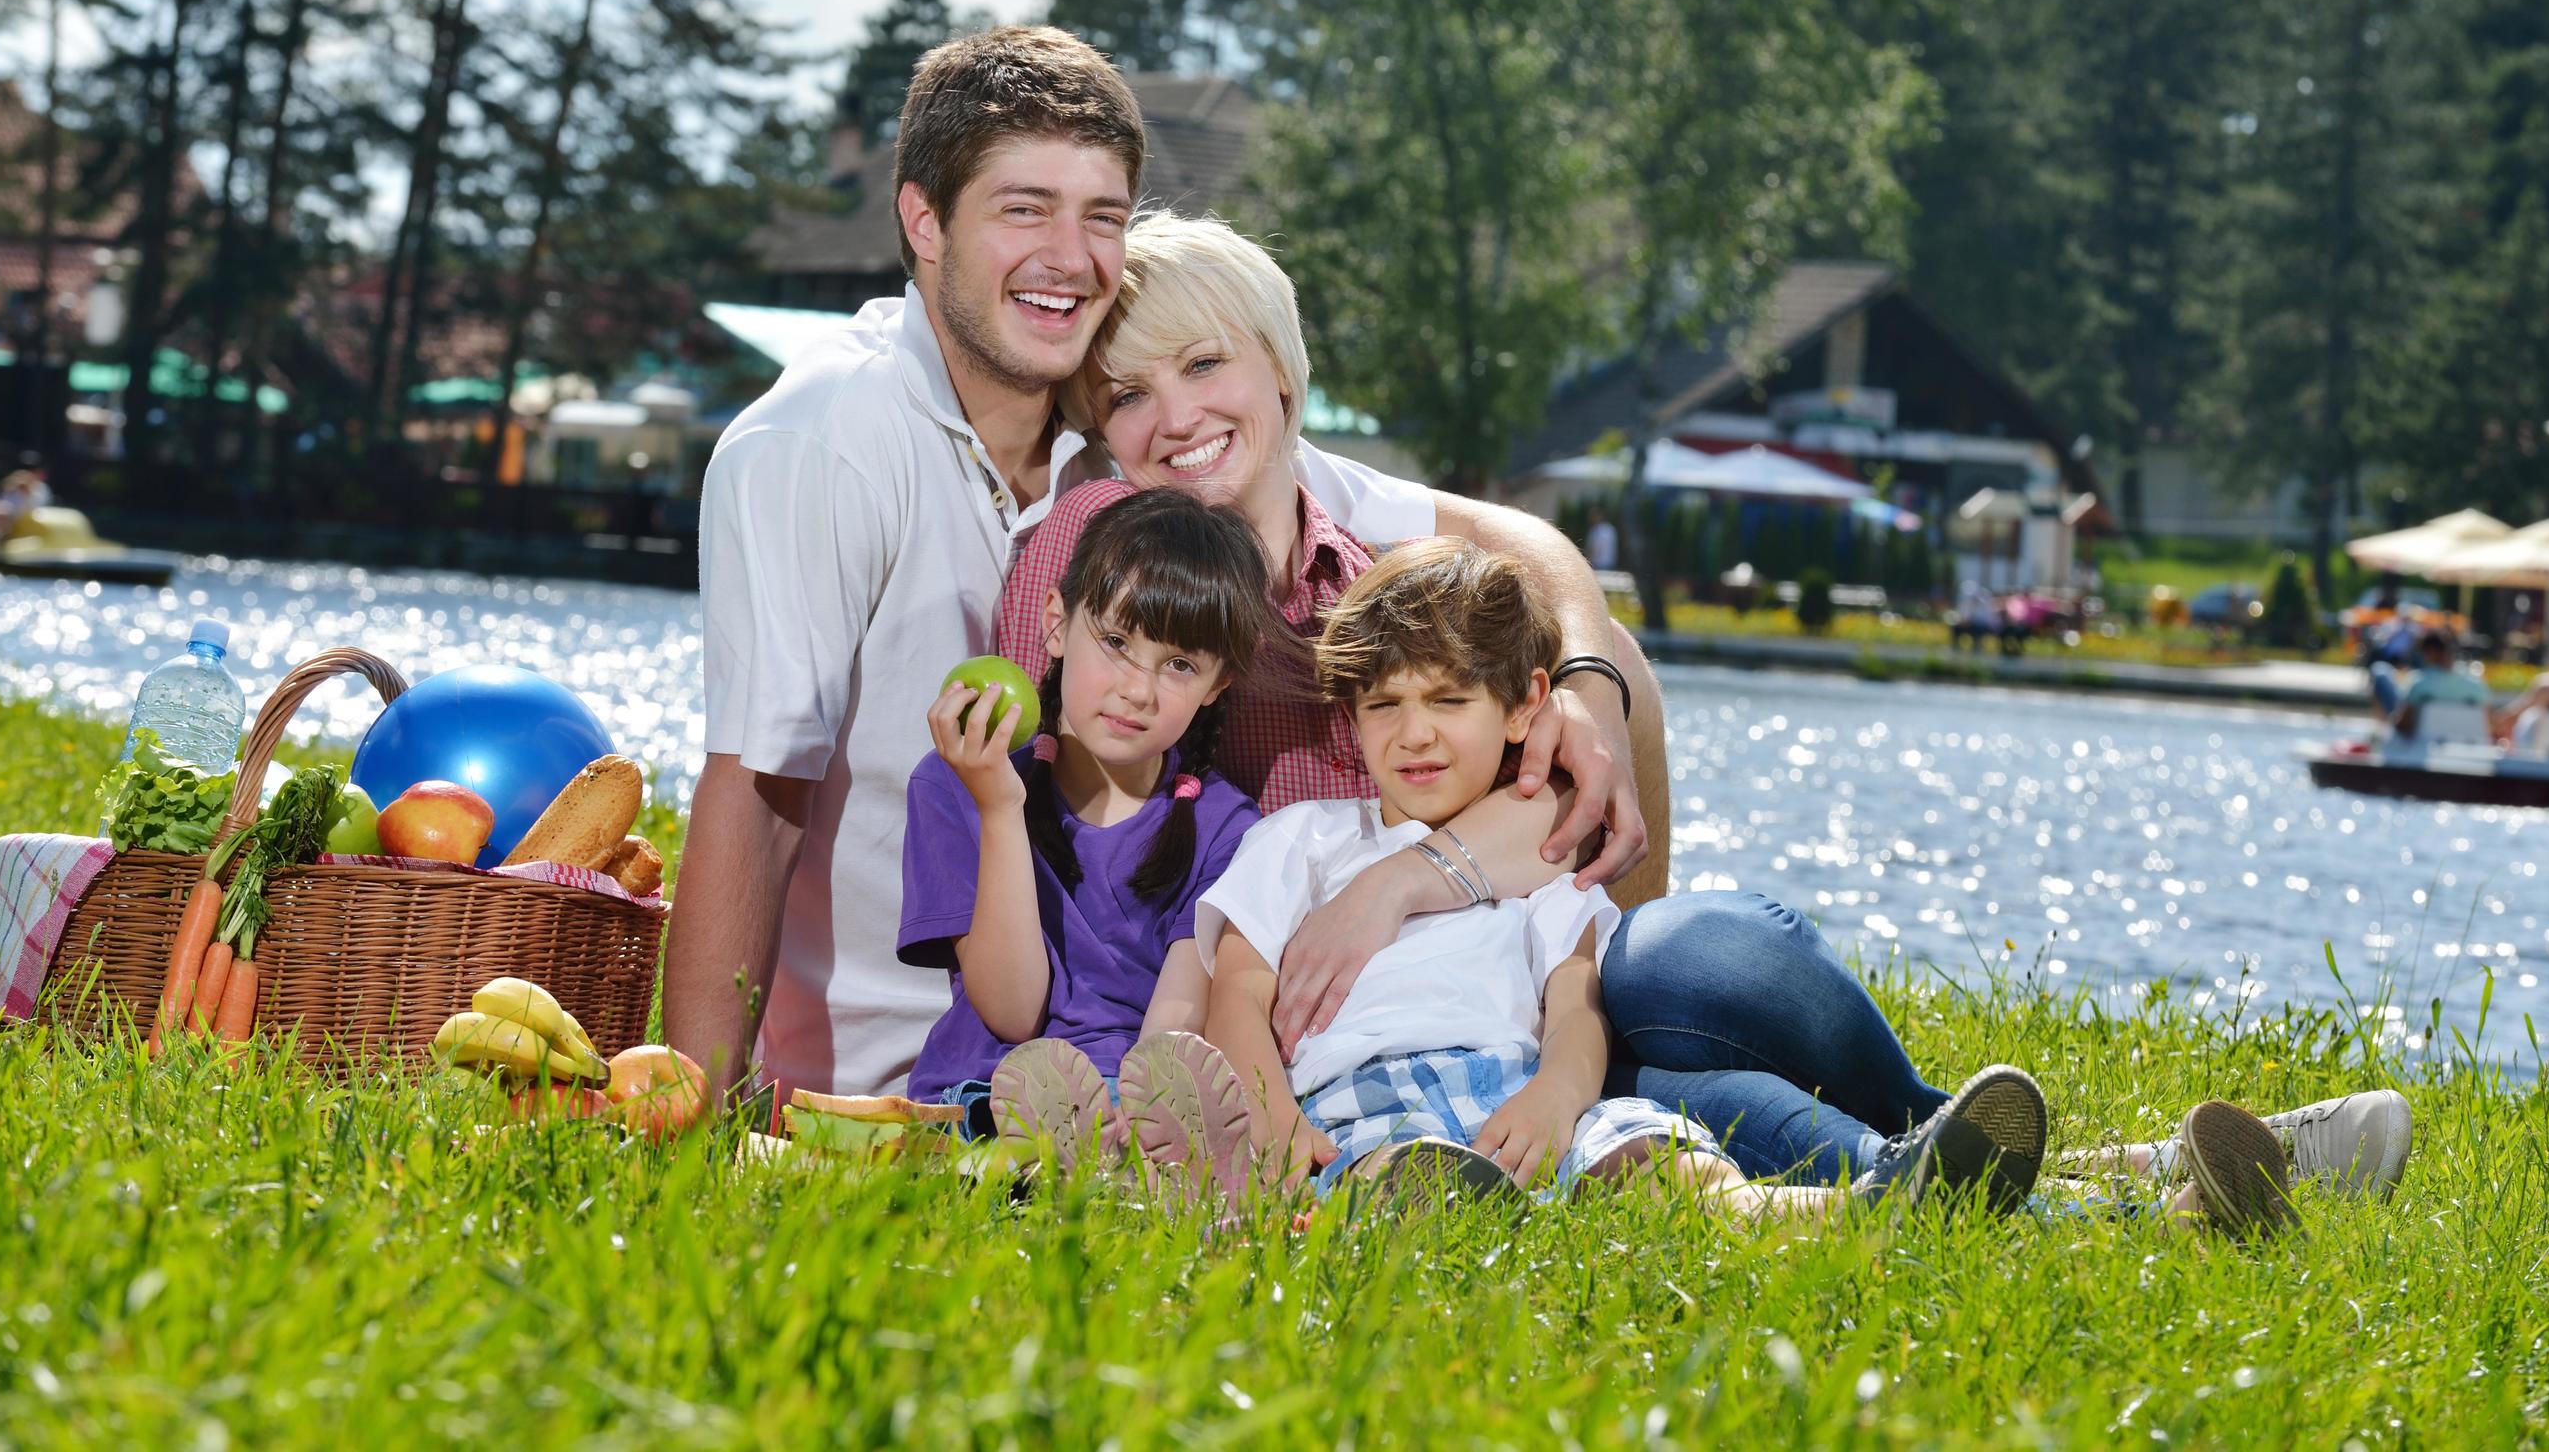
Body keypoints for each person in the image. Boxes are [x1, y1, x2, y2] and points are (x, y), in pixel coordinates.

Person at [1012, 213, 2415, 1211]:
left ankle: (1969, 1142)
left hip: (1542, 982)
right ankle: (2110, 1179)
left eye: (1206, 366)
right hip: (1384, 1057)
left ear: (1277, 371)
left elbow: (1560, 592)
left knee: (1675, 966)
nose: (1174, 414)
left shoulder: (1388, 550)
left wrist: (1560, 713)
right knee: (1700, 1126)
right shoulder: (1122, 585)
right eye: (1129, 393)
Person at [667, 27, 1651, 1104]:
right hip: (937, 1042)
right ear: (922, 220)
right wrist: (700, 1098)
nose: (1069, 254)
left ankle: (1640, 1048)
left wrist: (1593, 688)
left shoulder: (1164, 459)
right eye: (1022, 207)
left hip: (1263, 1018)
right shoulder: (846, 442)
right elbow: (758, 784)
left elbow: (1524, 543)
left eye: (1101, 216)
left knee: (1693, 943)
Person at [1198, 537, 2094, 1222]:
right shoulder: (1302, 841)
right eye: (1382, 706)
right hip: (1362, 1088)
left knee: (1657, 1153)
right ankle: (1426, 1212)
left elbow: (1575, 1001)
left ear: (1522, 706)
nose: (1413, 734)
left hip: (1511, 1086)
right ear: (1349, 717)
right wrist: (1266, 1108)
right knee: (1390, 1167)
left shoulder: (1544, 859)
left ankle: (1831, 1213)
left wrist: (1556, 1092)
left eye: (1447, 701)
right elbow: (1236, 988)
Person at [899, 490, 1273, 1163]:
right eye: (1117, 643)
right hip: (980, 1091)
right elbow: (1012, 1011)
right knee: (1019, 1103)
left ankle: (1128, 1165)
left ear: (1218, 685)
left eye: (1180, 665)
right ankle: (1062, 1153)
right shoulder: (954, 785)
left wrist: (1136, 1111)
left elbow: (1175, 1025)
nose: (1138, 690)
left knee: (1171, 1099)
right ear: (1055, 625)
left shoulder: (1228, 828)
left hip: (1133, 1109)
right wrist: (999, 806)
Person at [2387, 629, 2497, 740]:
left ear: (2430, 652)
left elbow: (2403, 724)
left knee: (2380, 673)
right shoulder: (2476, 684)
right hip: (2469, 745)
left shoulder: (2419, 683)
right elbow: (2489, 723)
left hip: (2421, 745)